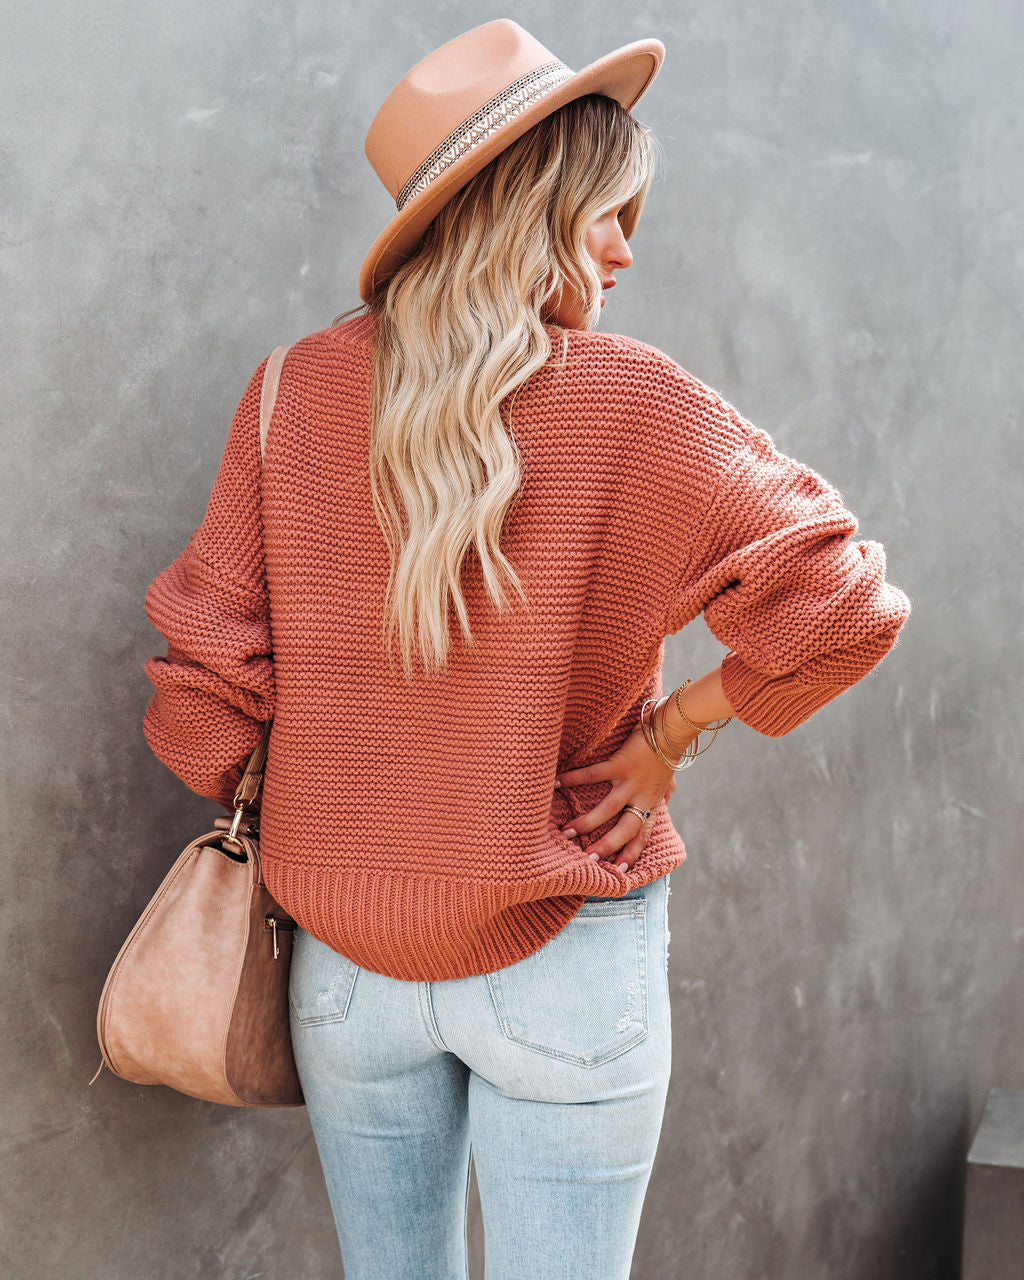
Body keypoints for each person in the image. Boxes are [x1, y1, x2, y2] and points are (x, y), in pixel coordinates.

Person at [140, 19, 912, 1280]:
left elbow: (203, 698)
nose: (626, 248)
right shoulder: (638, 400)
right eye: (607, 213)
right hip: (562, 942)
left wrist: (345, 776)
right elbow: (847, 605)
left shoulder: (290, 392)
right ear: (528, 209)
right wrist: (671, 732)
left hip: (346, 968)